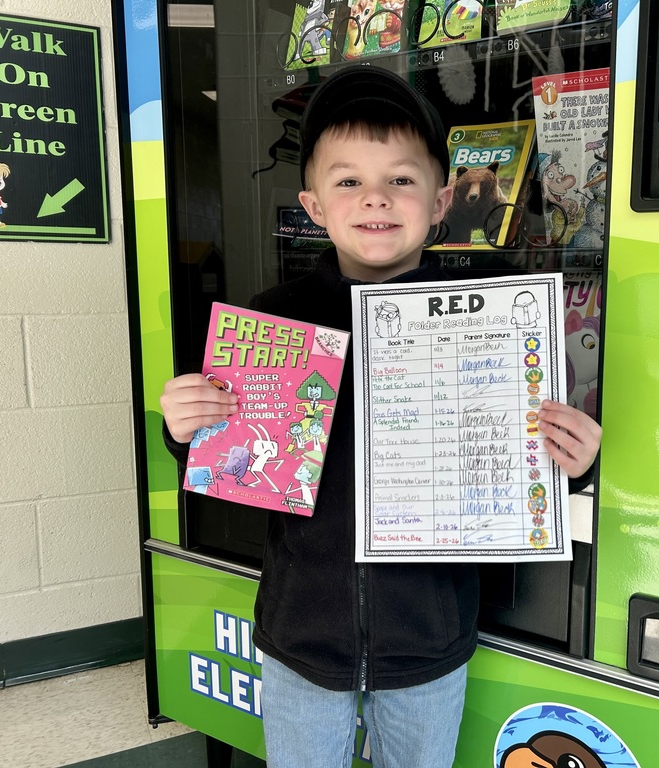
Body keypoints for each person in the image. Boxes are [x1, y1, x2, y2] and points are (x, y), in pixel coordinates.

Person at [159, 65, 602, 768]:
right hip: (301, 639)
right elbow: (232, 459)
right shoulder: (274, 320)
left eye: (400, 178)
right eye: (348, 181)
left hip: (429, 642)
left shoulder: (491, 318)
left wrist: (571, 461)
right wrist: (188, 428)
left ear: (442, 200)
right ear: (313, 206)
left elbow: (526, 463)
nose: (375, 198)